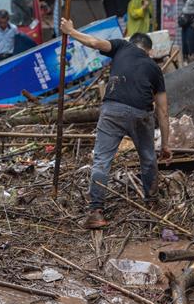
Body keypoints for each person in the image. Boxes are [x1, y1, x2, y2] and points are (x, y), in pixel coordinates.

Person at [60, 18, 171, 229]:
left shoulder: (121, 46)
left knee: (102, 160)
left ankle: (96, 212)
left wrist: (71, 31)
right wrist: (165, 145)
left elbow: (94, 43)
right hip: (141, 112)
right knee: (148, 158)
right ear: (149, 50)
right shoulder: (154, 67)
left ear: (131, 42)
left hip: (112, 109)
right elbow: (163, 111)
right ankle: (152, 203)